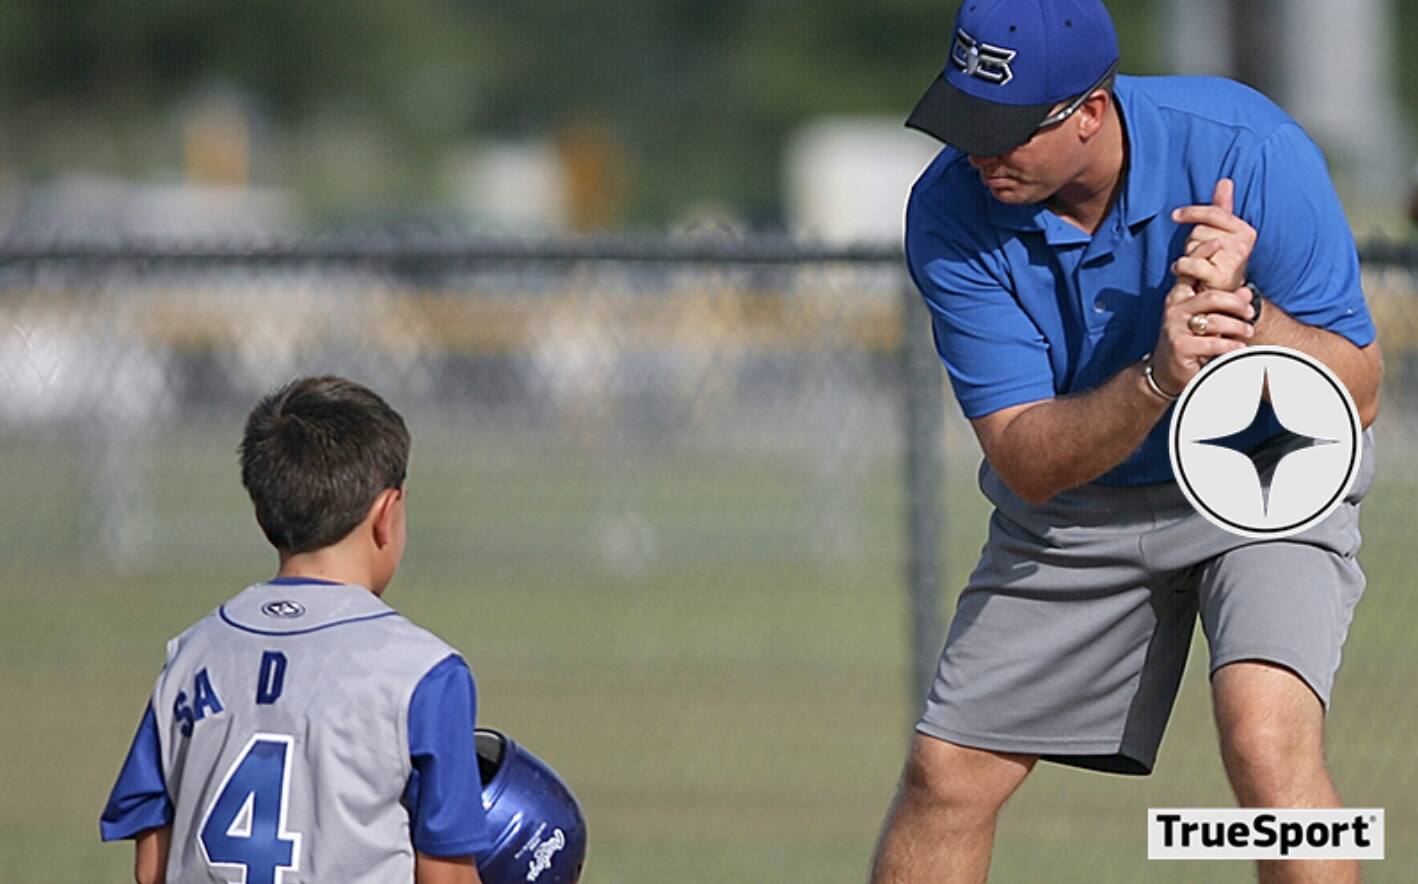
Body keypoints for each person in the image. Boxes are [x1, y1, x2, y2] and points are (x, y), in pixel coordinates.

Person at [871, 1, 1384, 883]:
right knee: (945, 776)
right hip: (1079, 497)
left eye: (1006, 131)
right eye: (965, 124)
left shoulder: (1244, 146)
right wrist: (1158, 377)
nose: (980, 154)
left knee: (1266, 744)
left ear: (1091, 113)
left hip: (1259, 479)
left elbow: (1363, 389)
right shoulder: (950, 213)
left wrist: (1249, 323)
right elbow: (1027, 460)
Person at [100, 376, 490, 884]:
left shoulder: (191, 655)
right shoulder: (423, 674)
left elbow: (152, 865)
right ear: (387, 515)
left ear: (263, 516)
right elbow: (447, 878)